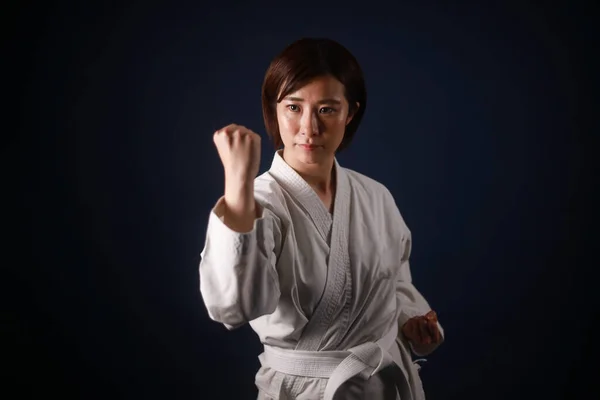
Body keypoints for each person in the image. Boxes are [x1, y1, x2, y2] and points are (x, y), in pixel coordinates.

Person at [199, 37, 444, 400]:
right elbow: (234, 309)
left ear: (350, 113)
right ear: (274, 109)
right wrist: (238, 187)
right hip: (305, 390)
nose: (308, 128)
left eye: (327, 109)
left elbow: (394, 281)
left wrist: (411, 320)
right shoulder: (259, 201)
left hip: (383, 383)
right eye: (294, 107)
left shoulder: (374, 195)